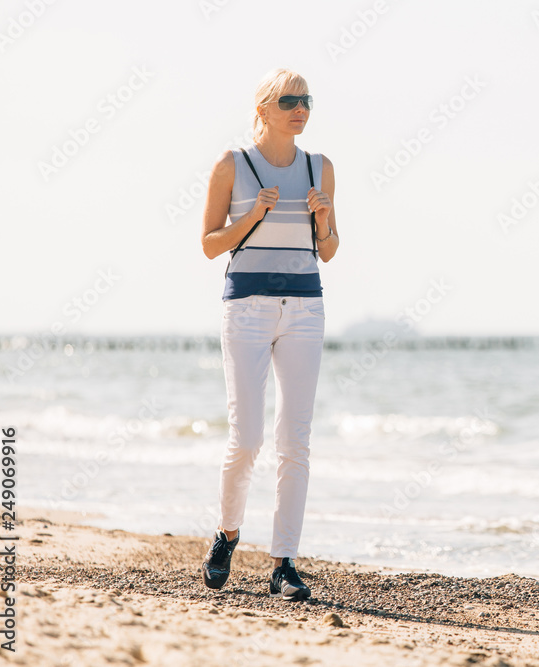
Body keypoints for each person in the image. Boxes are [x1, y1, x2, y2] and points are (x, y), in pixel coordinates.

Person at [199, 68, 339, 601]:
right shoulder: (231, 165)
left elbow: (327, 250)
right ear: (264, 108)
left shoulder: (319, 167)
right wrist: (252, 216)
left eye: (306, 99)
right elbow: (211, 245)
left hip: (306, 307)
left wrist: (324, 220)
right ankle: (227, 534)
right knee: (248, 437)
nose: (300, 108)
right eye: (289, 100)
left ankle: (284, 563)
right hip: (248, 308)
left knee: (295, 441)